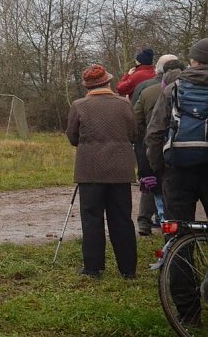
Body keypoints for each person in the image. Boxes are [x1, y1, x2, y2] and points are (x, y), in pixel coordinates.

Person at [145, 38, 208, 327]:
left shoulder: (173, 88)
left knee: (178, 240)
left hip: (178, 172)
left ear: (193, 61)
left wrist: (161, 173)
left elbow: (155, 134)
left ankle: (189, 315)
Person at [66, 64, 137, 280]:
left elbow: (72, 137)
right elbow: (133, 134)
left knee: (92, 219)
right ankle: (128, 269)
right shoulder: (124, 104)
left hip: (90, 170)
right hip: (120, 170)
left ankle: (93, 267)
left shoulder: (79, 106)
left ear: (87, 86)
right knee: (122, 219)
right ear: (108, 81)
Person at [132, 55, 179, 236]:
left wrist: (141, 142)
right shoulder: (189, 88)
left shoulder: (144, 89)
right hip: (178, 148)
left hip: (150, 144)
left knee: (150, 182)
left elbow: (135, 120)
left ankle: (145, 221)